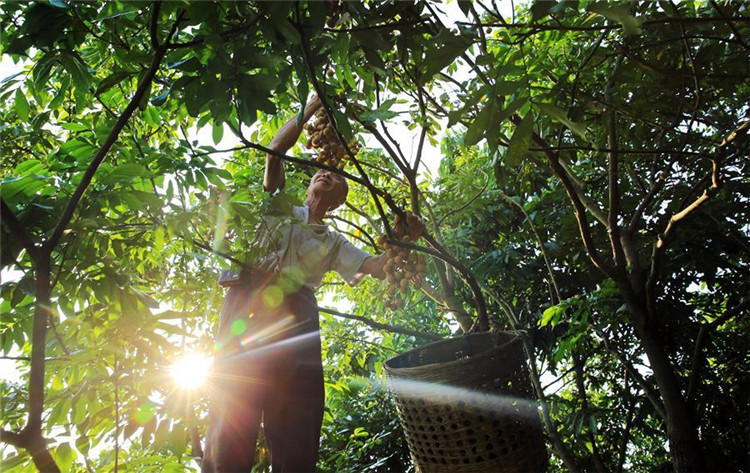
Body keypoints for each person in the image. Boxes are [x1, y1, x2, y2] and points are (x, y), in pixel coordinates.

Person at [201, 96, 422, 473]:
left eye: (334, 177)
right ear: (306, 187)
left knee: (296, 410)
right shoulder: (278, 204)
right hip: (248, 300)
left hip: (297, 315)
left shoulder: (333, 242)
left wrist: (406, 238)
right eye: (321, 173)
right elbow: (275, 151)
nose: (325, 174)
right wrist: (310, 109)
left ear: (337, 201)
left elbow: (375, 266)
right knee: (234, 398)